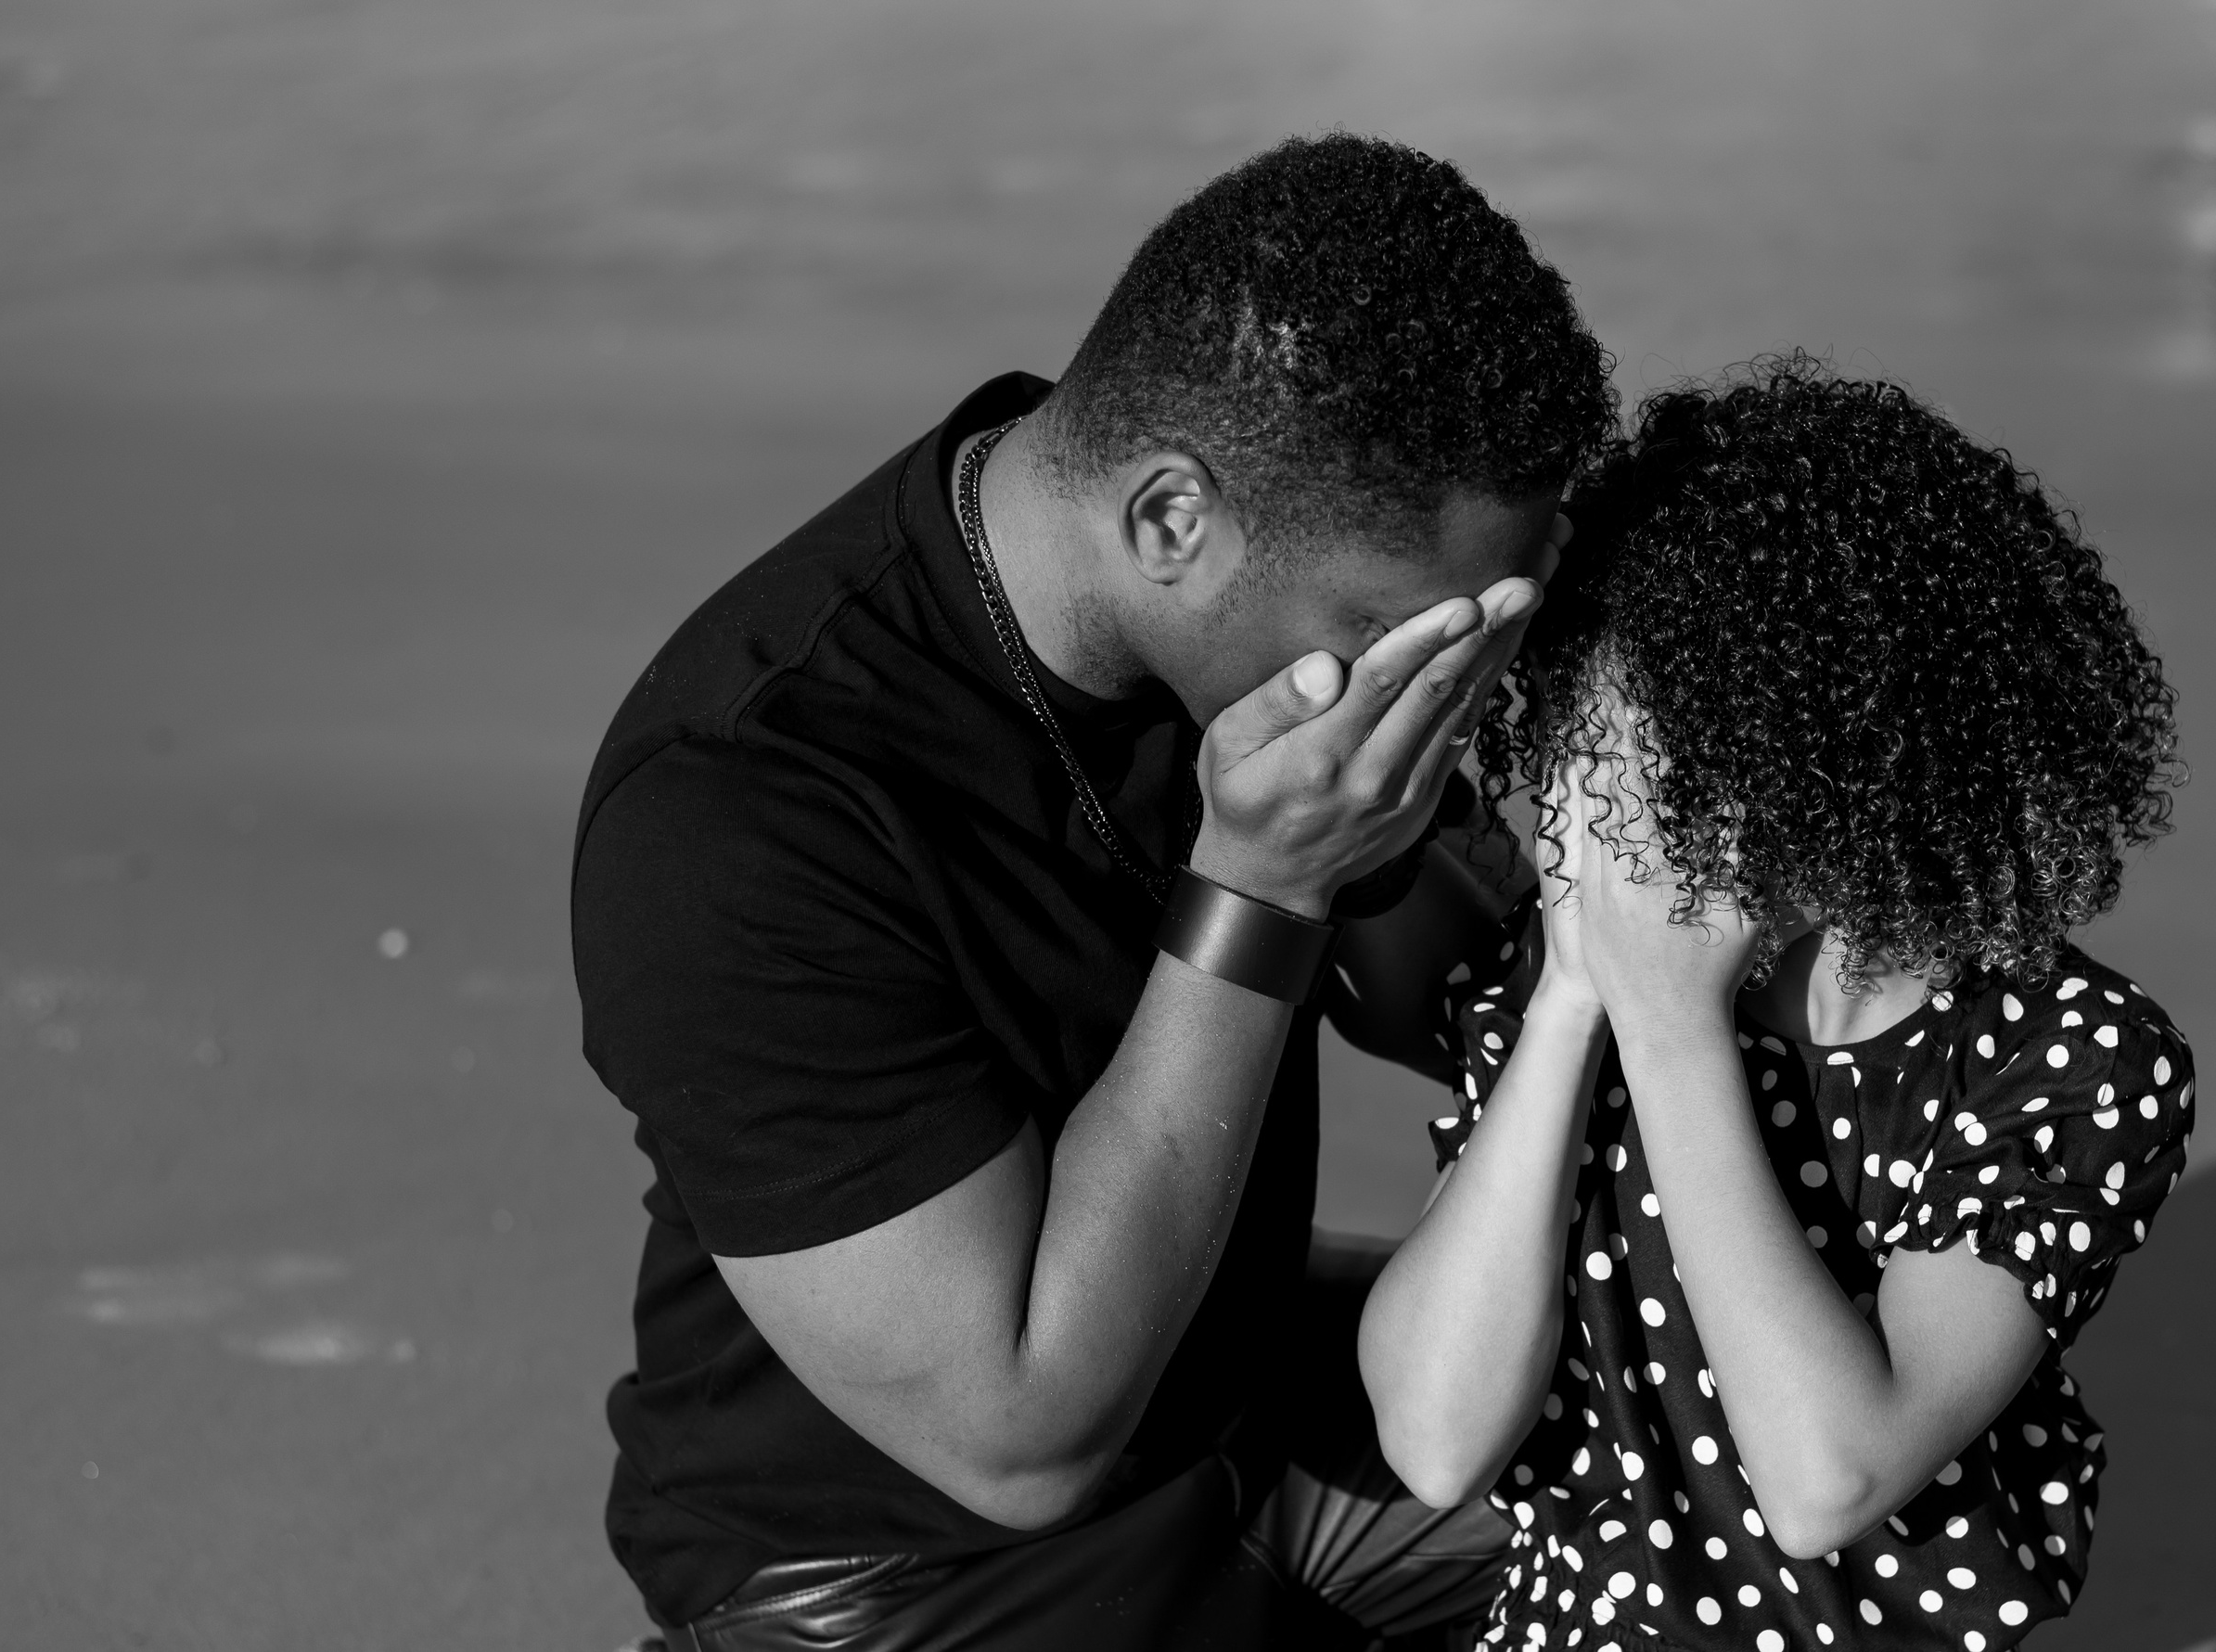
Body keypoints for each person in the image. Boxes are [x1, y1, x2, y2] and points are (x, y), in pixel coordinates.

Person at [570, 134, 1617, 1650]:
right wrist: (1260, 886)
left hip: (1226, 1378)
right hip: (903, 1574)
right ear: (1169, 521)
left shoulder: (1244, 609)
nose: (1440, 697)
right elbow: (1024, 1432)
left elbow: (1471, 992)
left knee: (1740, 1463)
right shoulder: (738, 809)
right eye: (1413, 647)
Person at [1358, 358, 2191, 1651]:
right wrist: (1575, 1006)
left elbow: (1828, 1478)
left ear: (1829, 758)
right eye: (1581, 748)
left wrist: (1676, 1033)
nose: (1598, 817)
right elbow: (1434, 1437)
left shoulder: (2066, 1058)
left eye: (1648, 766)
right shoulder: (1562, 982)